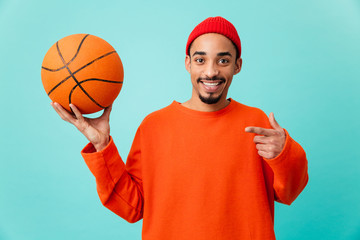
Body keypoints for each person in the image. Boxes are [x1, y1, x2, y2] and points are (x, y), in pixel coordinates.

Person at [51, 16, 308, 240]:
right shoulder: (154, 126)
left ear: (237, 66)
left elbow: (289, 192)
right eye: (200, 59)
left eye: (223, 60)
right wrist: (101, 145)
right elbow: (132, 207)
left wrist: (284, 152)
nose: (210, 71)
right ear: (187, 63)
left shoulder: (256, 123)